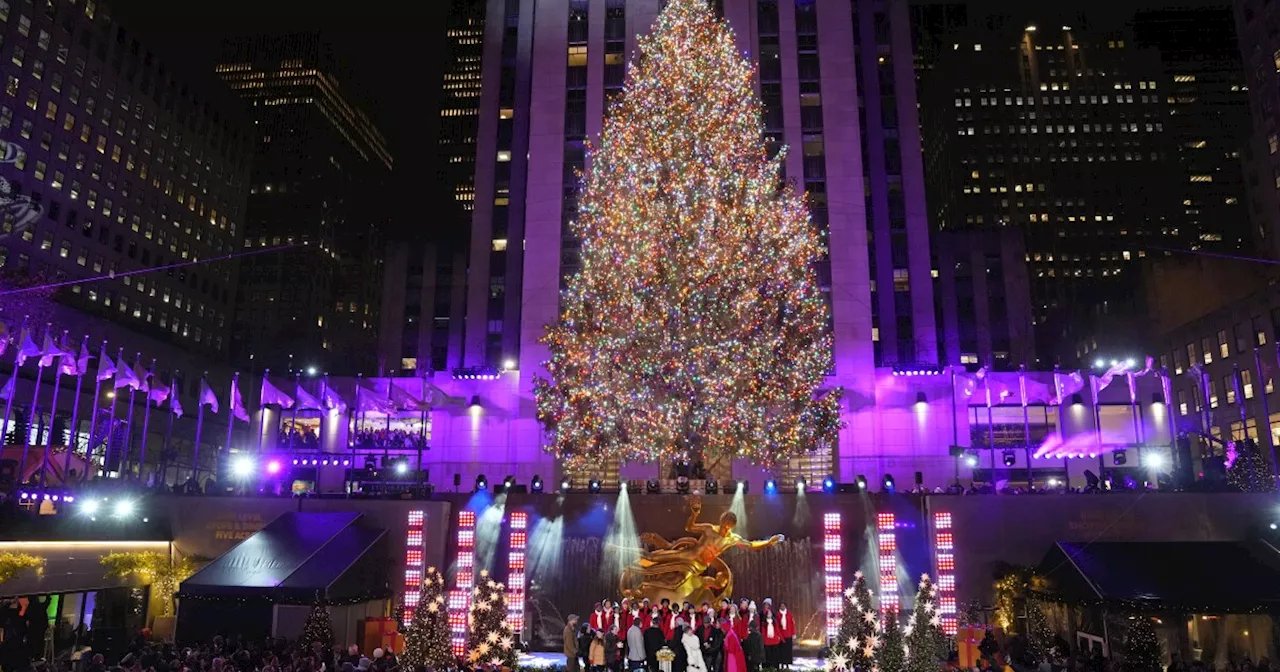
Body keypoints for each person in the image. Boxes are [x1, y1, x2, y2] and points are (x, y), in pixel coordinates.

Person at [776, 601, 794, 670]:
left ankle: (787, 664)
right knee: (782, 651)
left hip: (788, 635)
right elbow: (777, 626)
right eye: (781, 606)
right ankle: (782, 664)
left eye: (783, 606)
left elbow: (792, 624)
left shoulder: (789, 614)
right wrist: (779, 635)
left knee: (788, 651)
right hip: (781, 636)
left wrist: (793, 633)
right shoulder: (778, 615)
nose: (782, 607)